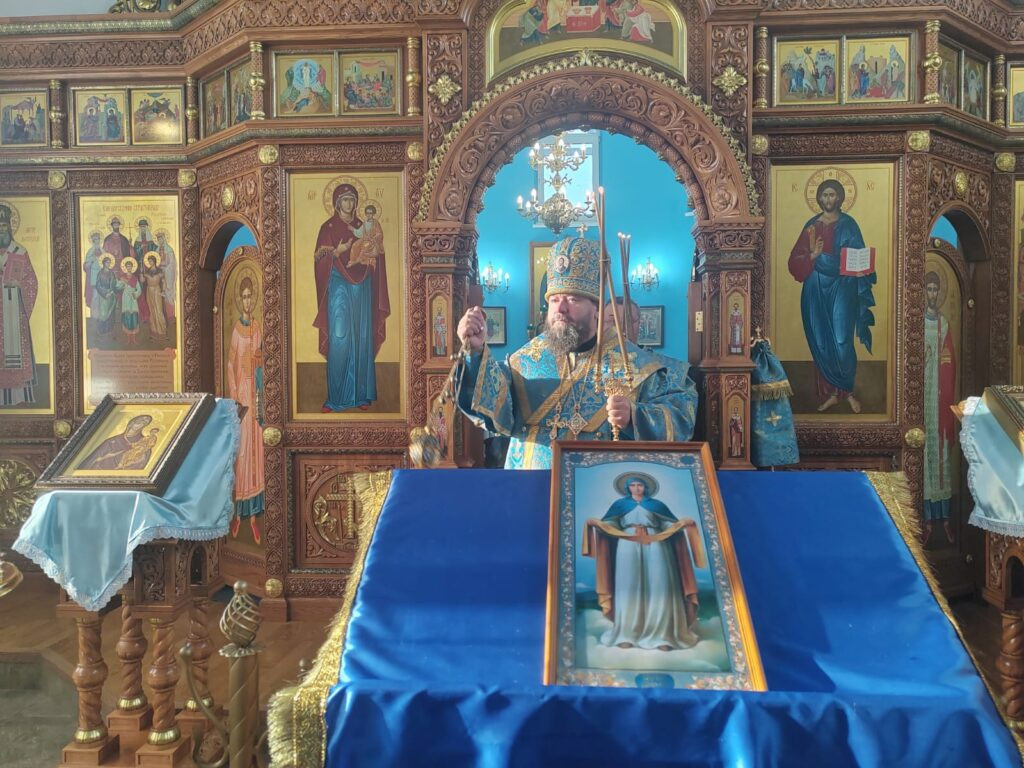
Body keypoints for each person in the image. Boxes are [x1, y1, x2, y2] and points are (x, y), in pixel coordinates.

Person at [456, 236, 697, 469]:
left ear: (597, 309)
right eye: (554, 300)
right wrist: (475, 352)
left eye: (572, 299)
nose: (560, 308)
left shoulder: (636, 364)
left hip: (598, 487)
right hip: (528, 484)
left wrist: (635, 416)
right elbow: (492, 409)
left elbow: (681, 420)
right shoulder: (526, 360)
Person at [583, 474, 703, 650]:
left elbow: (667, 525)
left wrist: (681, 524)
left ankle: (664, 636)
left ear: (646, 487)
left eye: (640, 485)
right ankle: (626, 634)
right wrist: (598, 524)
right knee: (628, 585)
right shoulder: (619, 505)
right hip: (627, 543)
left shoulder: (657, 505)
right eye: (633, 485)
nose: (637, 488)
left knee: (660, 585)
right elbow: (611, 526)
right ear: (628, 488)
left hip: (657, 543)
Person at [788, 179, 876, 413]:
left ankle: (847, 392)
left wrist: (863, 269)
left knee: (841, 339)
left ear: (839, 198)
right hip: (815, 286)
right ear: (819, 198)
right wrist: (814, 256)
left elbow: (860, 256)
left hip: (843, 286)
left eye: (832, 195)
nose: (828, 199)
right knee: (820, 340)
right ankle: (831, 395)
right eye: (825, 195)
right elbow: (794, 261)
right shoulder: (811, 226)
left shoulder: (849, 225)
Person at [313, 183, 390, 412]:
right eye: (344, 199)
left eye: (352, 200)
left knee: (362, 334)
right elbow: (319, 261)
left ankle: (361, 396)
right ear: (337, 203)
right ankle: (336, 398)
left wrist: (376, 254)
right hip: (338, 284)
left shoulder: (364, 226)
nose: (348, 204)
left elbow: (377, 250)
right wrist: (336, 252)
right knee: (340, 336)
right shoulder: (327, 228)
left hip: (362, 284)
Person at [227, 276, 265, 544]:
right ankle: (240, 513)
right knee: (243, 451)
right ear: (240, 300)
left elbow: (263, 359)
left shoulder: (258, 326)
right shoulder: (236, 331)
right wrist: (235, 397)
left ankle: (255, 514)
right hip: (242, 395)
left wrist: (260, 363)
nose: (248, 301)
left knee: (258, 450)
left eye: (251, 296)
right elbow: (231, 365)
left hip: (258, 392)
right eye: (244, 297)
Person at [923, 271, 957, 546]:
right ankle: (926, 517)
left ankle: (944, 518)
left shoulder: (943, 324)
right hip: (922, 393)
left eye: (936, 289)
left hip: (940, 396)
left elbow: (949, 362)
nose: (933, 294)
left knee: (941, 452)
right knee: (924, 449)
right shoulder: (917, 323)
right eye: (929, 289)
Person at [0, 203, 38, 406]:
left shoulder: (19, 251)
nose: (1, 229)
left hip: (13, 309)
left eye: (4, 225)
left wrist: (20, 283)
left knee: (14, 351)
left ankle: (17, 397)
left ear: (10, 227)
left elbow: (31, 280)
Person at [79, 414, 155, 470]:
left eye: (144, 423)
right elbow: (92, 459)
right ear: (132, 422)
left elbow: (141, 463)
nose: (140, 423)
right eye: (139, 421)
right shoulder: (112, 441)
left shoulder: (143, 443)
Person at [141, 254, 167, 340]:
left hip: (157, 290)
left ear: (155, 261)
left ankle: (162, 331)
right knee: (152, 310)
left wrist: (163, 291)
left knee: (158, 309)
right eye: (149, 261)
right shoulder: (147, 271)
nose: (150, 262)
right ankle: (154, 331)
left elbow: (163, 281)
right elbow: (142, 281)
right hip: (149, 290)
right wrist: (141, 275)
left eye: (151, 261)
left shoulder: (159, 270)